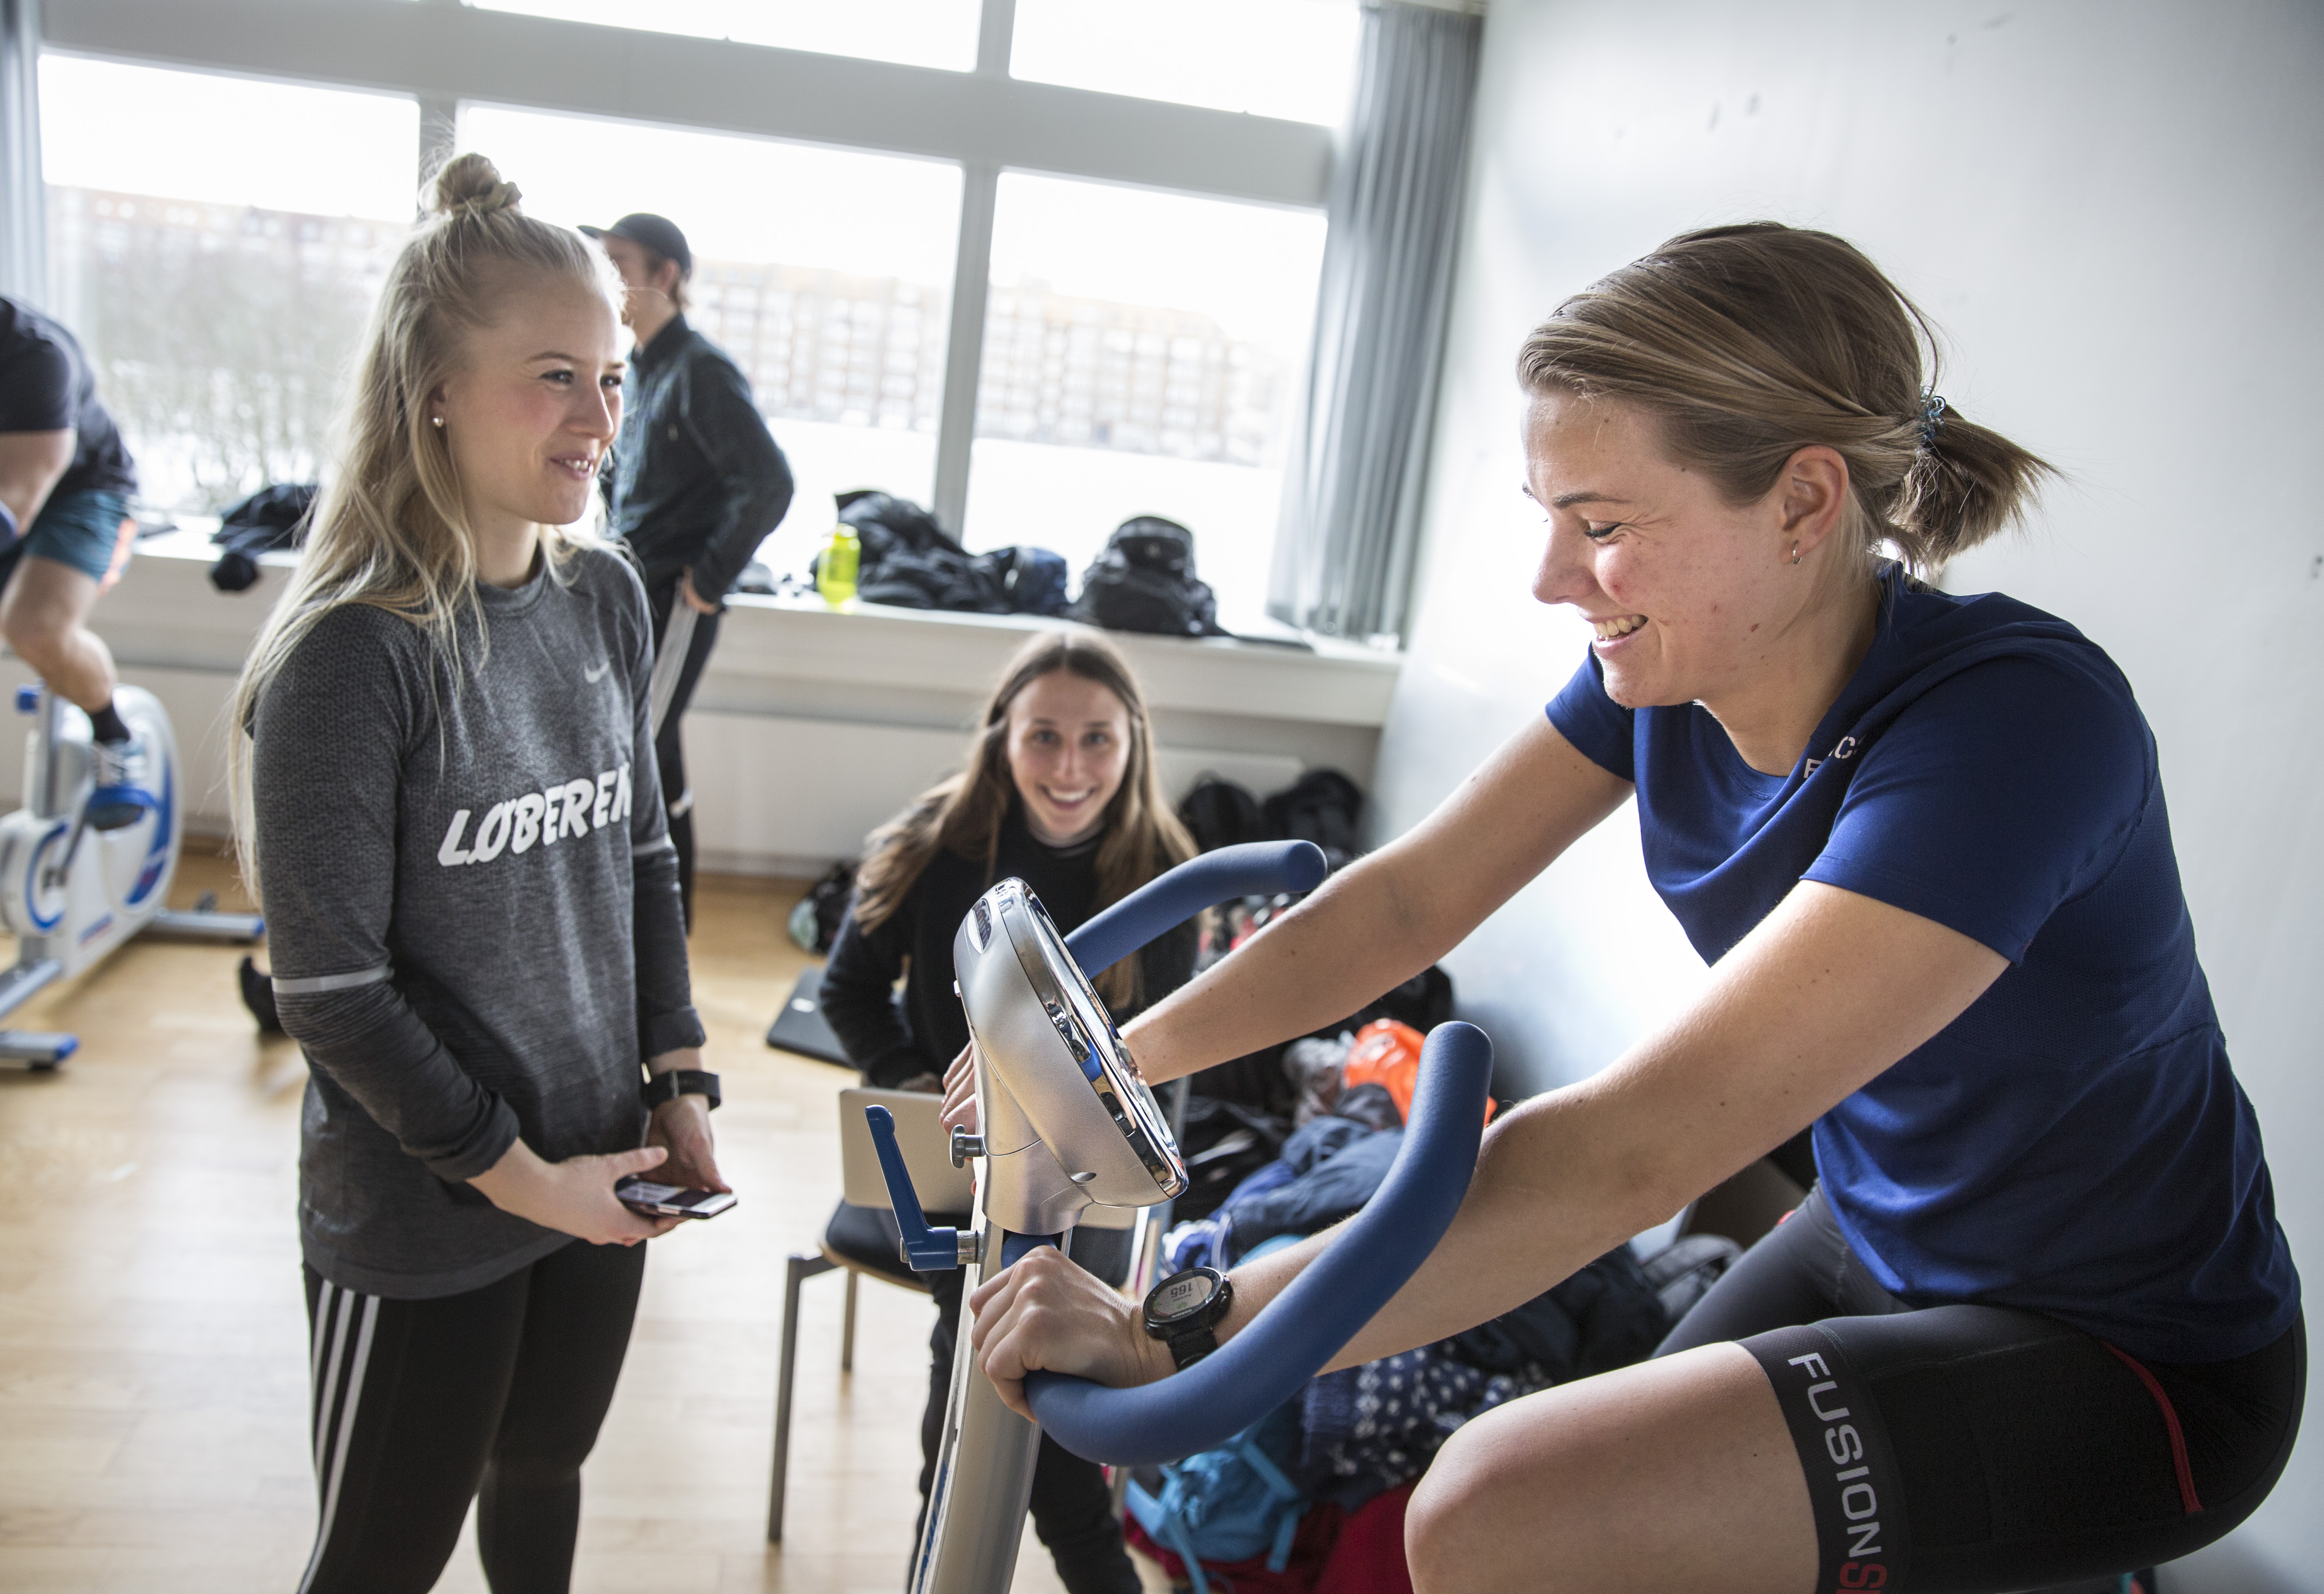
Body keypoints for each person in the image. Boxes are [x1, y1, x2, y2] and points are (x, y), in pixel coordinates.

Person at [957, 225, 2303, 1594]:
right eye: (1551, 521)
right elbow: (1408, 899)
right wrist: (1116, 1060)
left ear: (1799, 503)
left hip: (2134, 1349)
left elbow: (1626, 1154)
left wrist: (1186, 1328)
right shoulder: (1661, 672)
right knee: (1579, 1521)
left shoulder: (2011, 733)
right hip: (1874, 1227)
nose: (1552, 580)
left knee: (1488, 1509)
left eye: (1599, 528)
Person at [234, 155, 731, 1594]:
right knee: (383, 1555)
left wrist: (676, 1071)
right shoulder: (353, 656)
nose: (600, 419)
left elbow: (638, 848)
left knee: (541, 1469)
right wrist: (527, 1181)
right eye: (555, 377)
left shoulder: (604, 593)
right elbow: (329, 991)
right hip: (428, 1204)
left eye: (615, 377)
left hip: (605, 1160)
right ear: (434, 388)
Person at [819, 629, 1199, 1594]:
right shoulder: (932, 843)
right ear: (1001, 737)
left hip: (1095, 1194)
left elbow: (1166, 1065)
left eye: (1097, 741)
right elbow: (847, 992)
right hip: (958, 1180)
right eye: (1043, 737)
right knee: (1005, 1394)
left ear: (1133, 744)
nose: (1070, 769)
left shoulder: (1164, 868)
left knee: (1004, 1413)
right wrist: (914, 1086)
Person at [0, 176, 145, 965]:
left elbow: (8, 507)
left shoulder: (26, 351)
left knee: (35, 627)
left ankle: (111, 733)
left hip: (77, 494)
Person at [579, 210, 792, 929]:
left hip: (675, 599)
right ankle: (654, 923)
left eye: (620, 265)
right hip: (631, 590)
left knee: (640, 749)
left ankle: (662, 925)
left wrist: (707, 578)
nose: (605, 279)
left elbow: (768, 482)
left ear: (665, 275)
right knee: (648, 747)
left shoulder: (700, 369)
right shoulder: (636, 368)